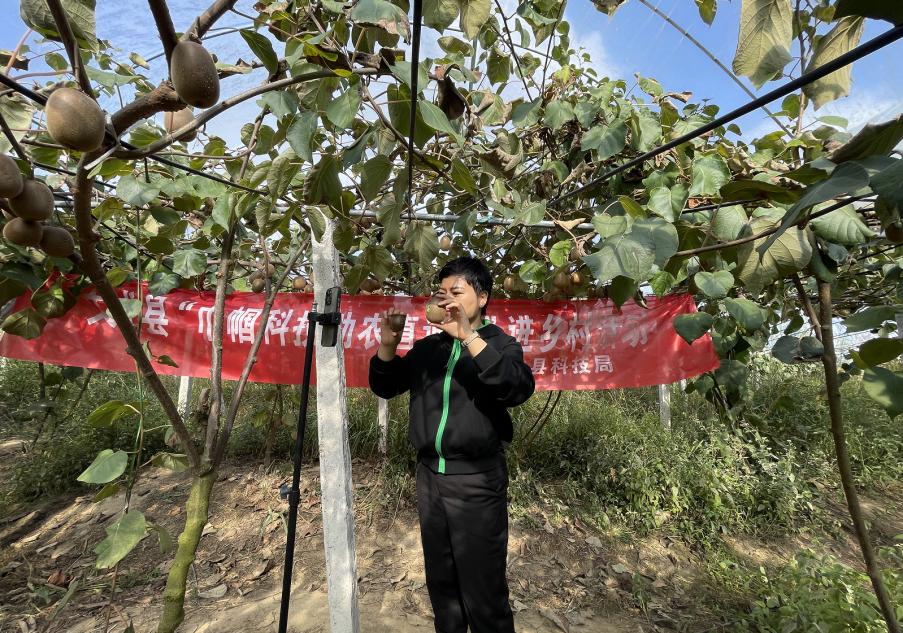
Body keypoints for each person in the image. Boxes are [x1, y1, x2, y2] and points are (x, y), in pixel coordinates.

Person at [369, 256, 535, 633]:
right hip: (430, 479)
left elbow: (515, 388)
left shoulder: (500, 344)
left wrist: (470, 339)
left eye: (455, 292)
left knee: (484, 592)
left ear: (483, 297)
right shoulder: (431, 349)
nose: (445, 300)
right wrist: (387, 346)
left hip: (476, 481)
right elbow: (386, 384)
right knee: (443, 588)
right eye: (441, 293)